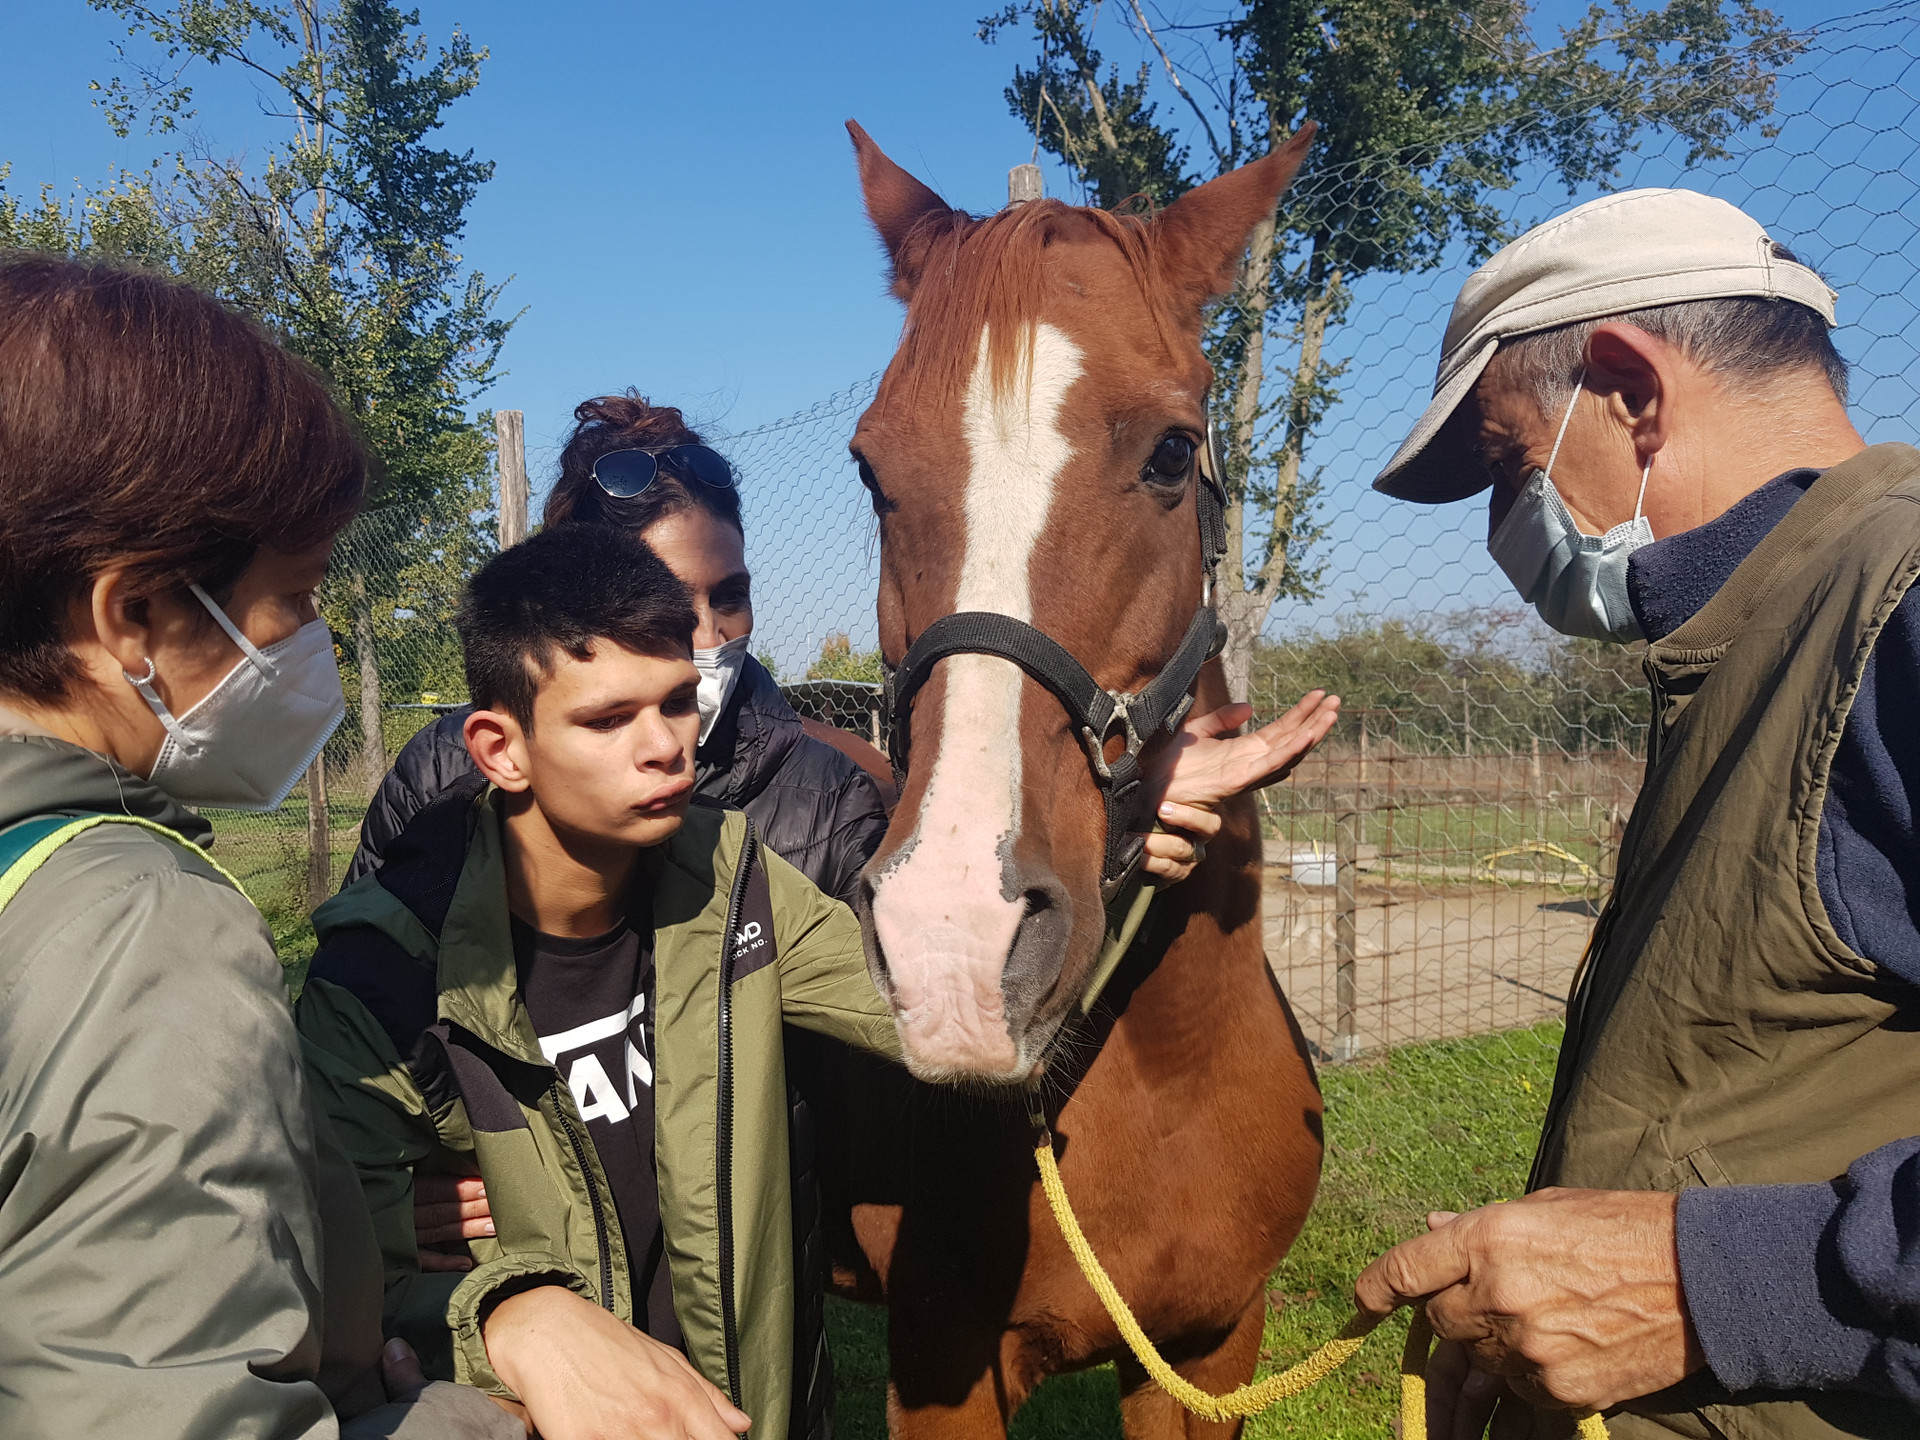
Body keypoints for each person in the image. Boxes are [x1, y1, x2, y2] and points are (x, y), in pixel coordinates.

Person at [1350, 189, 1920, 1439]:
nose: (1509, 530)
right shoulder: (1745, 646)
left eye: (1510, 467)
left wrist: (1720, 1284)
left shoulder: (1895, 610)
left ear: (1631, 390)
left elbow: (1710, 1263)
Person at [0, 257, 515, 1438]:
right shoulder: (138, 933)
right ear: (134, 617)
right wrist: (467, 1423)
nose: (314, 640)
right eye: (300, 593)